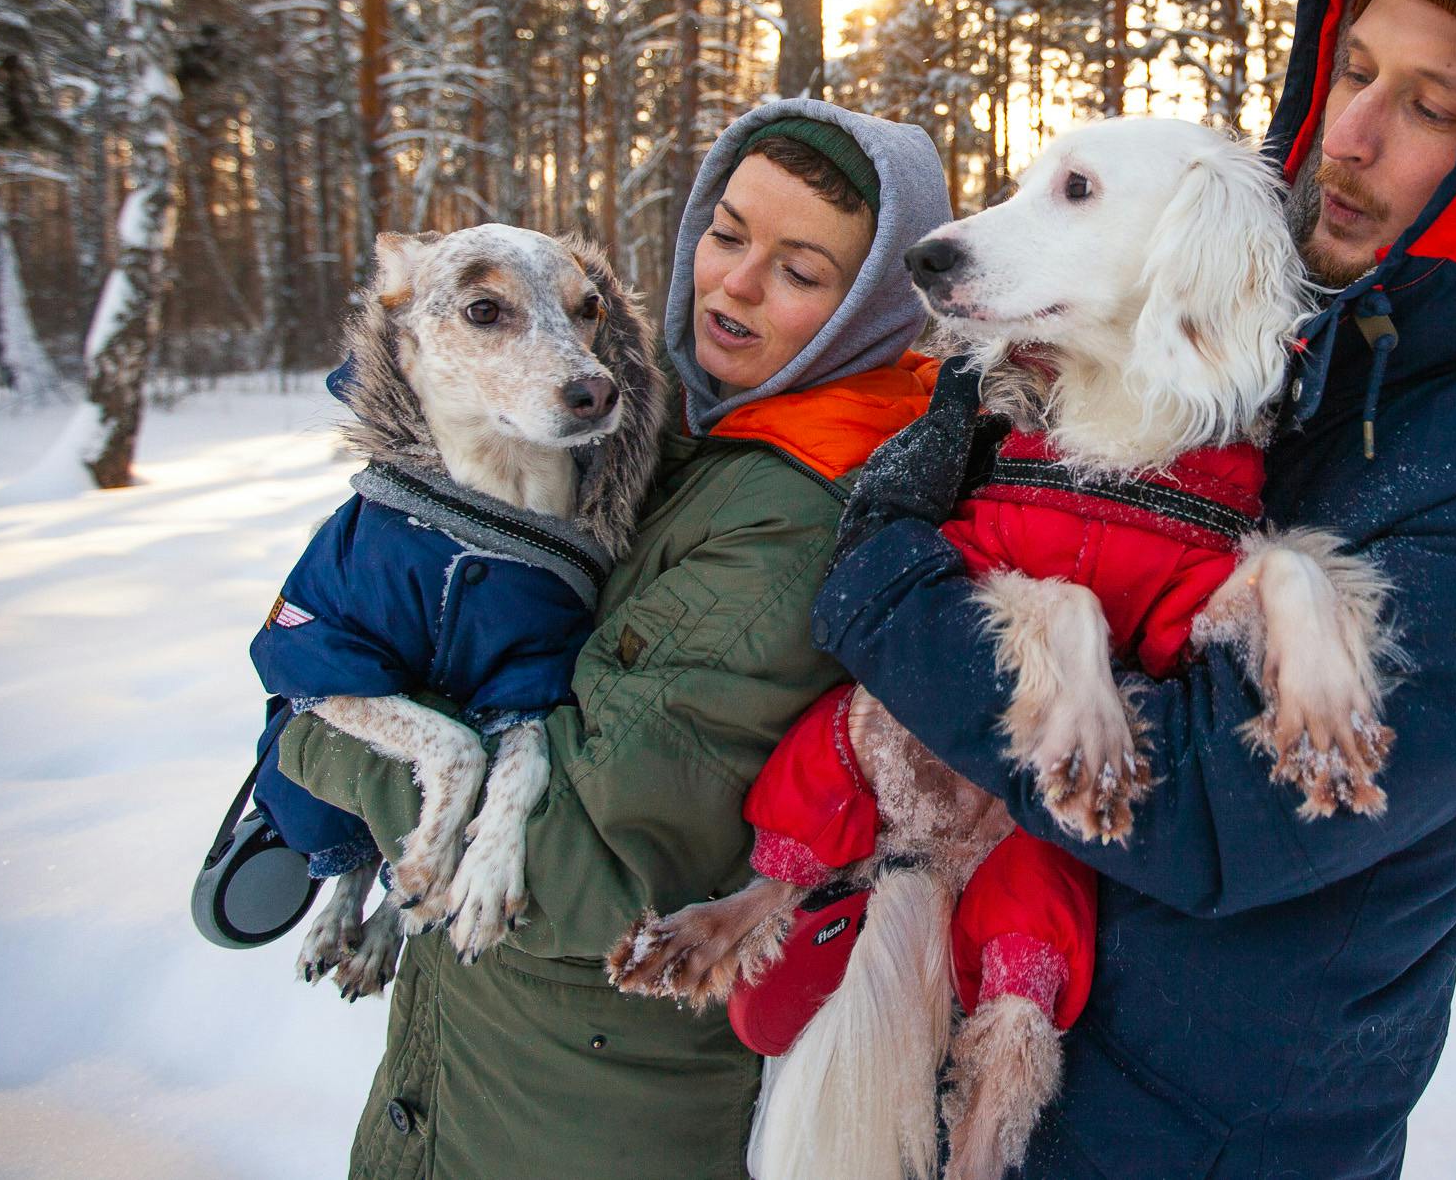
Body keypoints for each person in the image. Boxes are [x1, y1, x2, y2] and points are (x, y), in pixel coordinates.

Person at [815, 0, 1456, 1178]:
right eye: (1352, 69)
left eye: (1428, 106)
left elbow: (1217, 808)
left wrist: (891, 586)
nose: (1347, 131)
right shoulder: (1297, 359)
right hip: (992, 1051)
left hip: (1187, 1141)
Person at [278, 99, 952, 1180]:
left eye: (799, 270)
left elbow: (580, 861)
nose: (732, 282)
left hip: (578, 1105)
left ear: (867, 306)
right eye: (727, 233)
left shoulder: (793, 517)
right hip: (493, 1063)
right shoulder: (679, 432)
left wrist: (315, 738)